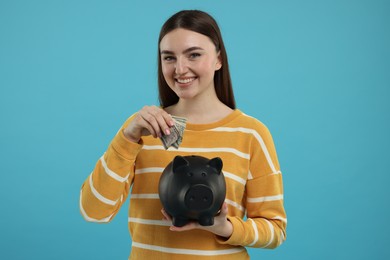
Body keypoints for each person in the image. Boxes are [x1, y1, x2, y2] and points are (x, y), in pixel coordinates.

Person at [80, 10, 287, 259]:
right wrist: (128, 139)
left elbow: (275, 230)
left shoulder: (252, 134)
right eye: (169, 58)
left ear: (218, 59)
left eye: (194, 55)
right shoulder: (141, 130)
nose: (180, 69)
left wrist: (224, 227)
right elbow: (94, 211)